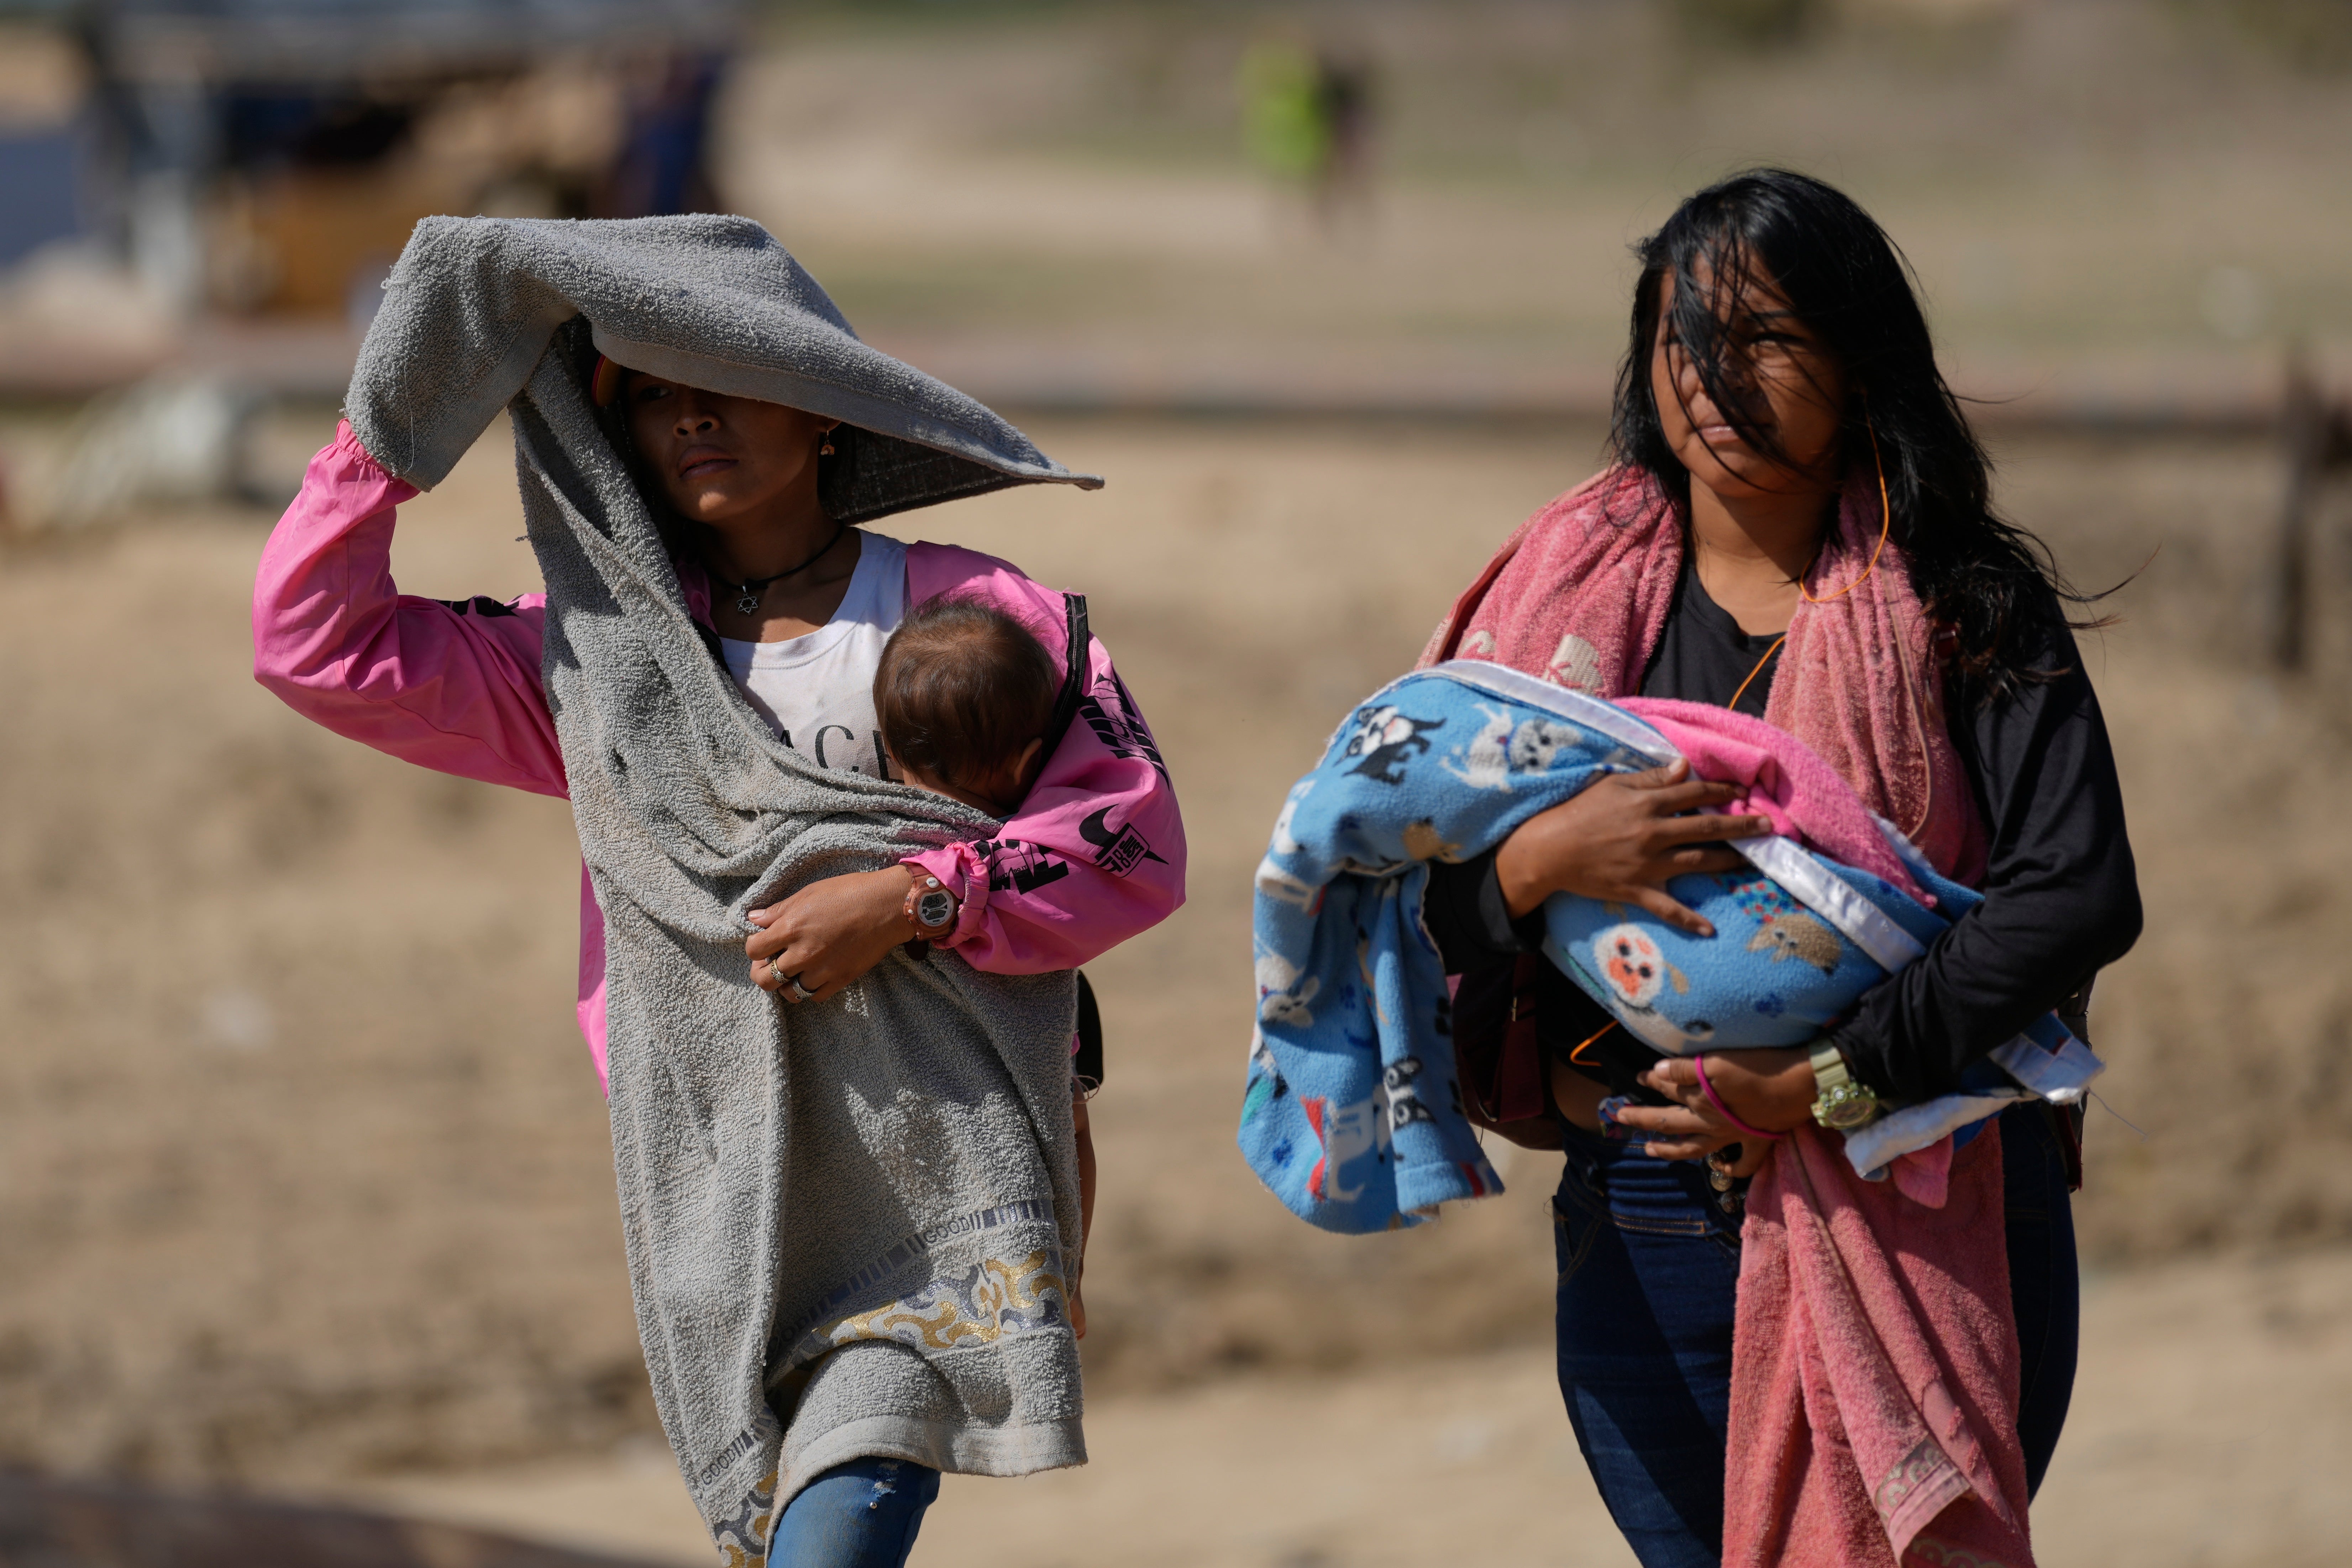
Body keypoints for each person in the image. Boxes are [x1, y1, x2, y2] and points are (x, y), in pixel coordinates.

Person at [253, 218, 1184, 1568]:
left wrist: (910, 899)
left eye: (728, 379)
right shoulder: (593, 669)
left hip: (943, 1158)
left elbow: (1130, 839)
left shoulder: (984, 617)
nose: (691, 415)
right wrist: (392, 427)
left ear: (818, 411)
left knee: (849, 1505)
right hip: (721, 1157)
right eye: (652, 390)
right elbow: (312, 642)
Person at [1417, 169, 2140, 1566]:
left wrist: (1818, 1082)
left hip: (1919, 1201)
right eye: (1682, 333)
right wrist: (1531, 869)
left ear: (1857, 362)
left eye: (1763, 336)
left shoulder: (1958, 602)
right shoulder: (1562, 616)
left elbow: (2074, 891)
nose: (1711, 374)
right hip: (1634, 1221)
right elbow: (1406, 888)